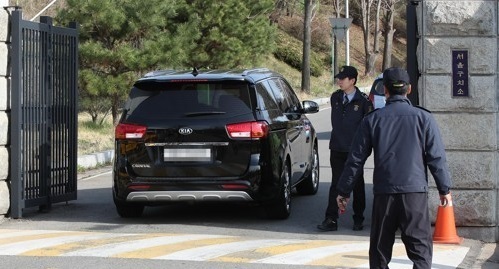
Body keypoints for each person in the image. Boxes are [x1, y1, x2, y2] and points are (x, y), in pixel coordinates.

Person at [335, 67, 453, 269]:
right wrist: (445, 189)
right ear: (409, 89)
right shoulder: (424, 118)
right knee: (421, 251)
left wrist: (344, 191)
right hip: (414, 193)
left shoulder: (372, 120)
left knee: (380, 252)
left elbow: (355, 160)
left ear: (386, 91)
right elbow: (436, 157)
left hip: (385, 193)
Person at [317, 66, 373, 232]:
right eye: (338, 78)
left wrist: (364, 150)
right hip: (337, 148)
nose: (339, 81)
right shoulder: (335, 97)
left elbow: (368, 129)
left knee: (357, 184)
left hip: (355, 152)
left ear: (352, 81)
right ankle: (331, 218)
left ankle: (358, 218)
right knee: (336, 184)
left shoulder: (363, 102)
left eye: (342, 78)